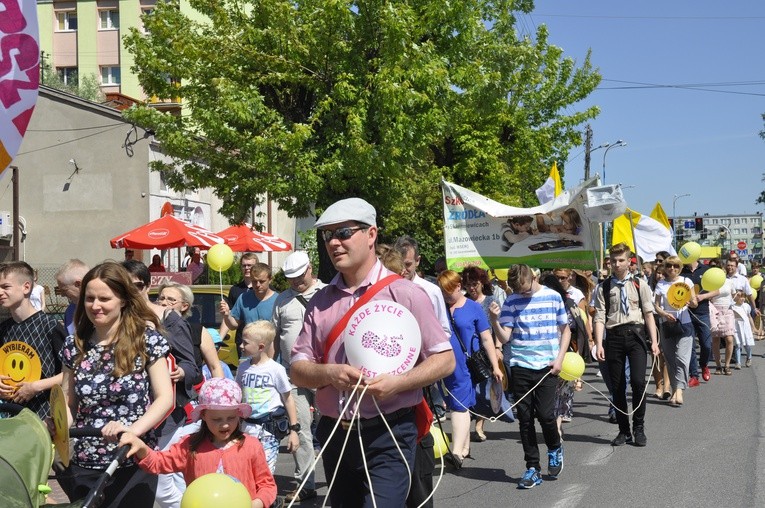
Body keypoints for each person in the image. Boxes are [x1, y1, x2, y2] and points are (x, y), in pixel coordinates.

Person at [290, 197, 455, 507]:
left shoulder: (406, 293)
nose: (334, 243)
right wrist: (328, 373)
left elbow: (445, 359)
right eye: (328, 235)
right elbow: (298, 368)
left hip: (390, 432)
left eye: (343, 233)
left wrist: (399, 383)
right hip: (336, 431)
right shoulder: (320, 300)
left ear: (371, 234)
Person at [57, 262, 174, 507]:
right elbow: (68, 403)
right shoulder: (74, 345)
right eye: (89, 298)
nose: (95, 306)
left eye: (104, 298)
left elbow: (164, 398)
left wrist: (133, 430)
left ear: (122, 300)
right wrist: (56, 425)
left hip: (130, 458)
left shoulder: (147, 341)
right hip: (85, 461)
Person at [119, 378, 277, 508]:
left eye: (231, 418)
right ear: (203, 416)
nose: (225, 425)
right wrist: (141, 448)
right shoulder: (191, 445)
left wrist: (257, 503)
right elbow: (160, 462)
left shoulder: (251, 445)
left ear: (239, 415)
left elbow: (266, 484)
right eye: (217, 419)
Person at [489, 264, 569, 489]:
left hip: (546, 366)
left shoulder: (553, 297)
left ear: (533, 277)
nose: (522, 294)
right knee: (525, 420)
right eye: (518, 291)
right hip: (521, 366)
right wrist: (494, 320)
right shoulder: (511, 300)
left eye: (525, 289)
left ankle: (554, 448)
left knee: (545, 415)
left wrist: (559, 359)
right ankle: (532, 467)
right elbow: (505, 338)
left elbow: (566, 330)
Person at [392, 235, 453, 508]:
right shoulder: (384, 290)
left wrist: (422, 360)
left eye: (408, 264)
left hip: (421, 378)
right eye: (398, 264)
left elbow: (444, 332)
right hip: (389, 385)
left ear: (417, 261)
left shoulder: (429, 290)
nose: (404, 270)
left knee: (419, 437)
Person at [271, 251, 325, 503]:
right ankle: (306, 483)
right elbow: (274, 338)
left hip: (326, 373)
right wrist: (270, 369)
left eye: (299, 276)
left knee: (335, 426)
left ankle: (344, 477)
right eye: (290, 278)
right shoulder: (282, 300)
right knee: (301, 428)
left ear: (310, 269)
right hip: (294, 375)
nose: (295, 282)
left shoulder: (327, 293)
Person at [593, 243, 660, 448]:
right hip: (613, 337)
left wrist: (654, 342)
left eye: (621, 260)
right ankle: (624, 430)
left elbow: (648, 314)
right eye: (613, 260)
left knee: (639, 382)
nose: (616, 264)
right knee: (618, 386)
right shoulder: (603, 287)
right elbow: (599, 317)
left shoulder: (640, 284)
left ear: (629, 261)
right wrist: (598, 343)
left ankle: (639, 427)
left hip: (636, 336)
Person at [437, 269, 502, 468]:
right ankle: (464, 448)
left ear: (459, 286)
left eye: (449, 290)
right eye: (443, 291)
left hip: (464, 366)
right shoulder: (439, 308)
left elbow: (486, 337)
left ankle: (455, 453)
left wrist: (495, 365)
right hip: (442, 365)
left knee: (460, 405)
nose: (446, 295)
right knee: (457, 404)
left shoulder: (473, 308)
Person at [0, 262, 67, 418]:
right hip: (12, 417)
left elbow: (71, 373)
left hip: (44, 417)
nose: (0, 292)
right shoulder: (3, 329)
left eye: (6, 287)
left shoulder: (50, 327)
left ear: (26, 287)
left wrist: (36, 386)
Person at [238, 321, 300, 474]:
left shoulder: (275, 369)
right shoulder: (243, 367)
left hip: (268, 429)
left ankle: (266, 498)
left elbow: (288, 399)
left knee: (265, 471)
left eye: (245, 343)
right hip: (246, 426)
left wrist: (294, 430)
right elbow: (238, 394)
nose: (240, 345)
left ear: (260, 347)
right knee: (246, 469)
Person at [460, 266, 503, 443]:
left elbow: (497, 327)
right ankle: (466, 423)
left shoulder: (491, 301)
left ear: (482, 283)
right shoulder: (462, 302)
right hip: (467, 352)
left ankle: (479, 425)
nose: (472, 288)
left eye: (475, 284)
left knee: (484, 388)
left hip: (487, 352)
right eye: (468, 284)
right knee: (469, 388)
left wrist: (498, 348)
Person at [653, 255, 697, 407]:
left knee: (682, 358)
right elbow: (656, 305)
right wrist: (664, 314)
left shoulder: (686, 282)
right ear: (665, 268)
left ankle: (679, 389)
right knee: (671, 359)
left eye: (676, 266)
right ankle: (674, 390)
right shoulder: (661, 284)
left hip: (684, 324)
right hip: (667, 325)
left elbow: (694, 303)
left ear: (680, 268)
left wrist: (689, 302)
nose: (672, 269)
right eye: (669, 266)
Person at [157, 282, 224, 379]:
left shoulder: (198, 331)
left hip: (190, 391)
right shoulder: (151, 329)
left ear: (184, 306)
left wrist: (218, 390)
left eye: (171, 300)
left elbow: (215, 367)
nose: (163, 303)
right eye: (161, 298)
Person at [220, 262, 278, 352]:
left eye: (262, 281)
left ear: (270, 279)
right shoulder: (243, 298)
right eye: (254, 281)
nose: (258, 285)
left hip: (271, 356)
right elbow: (233, 325)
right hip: (248, 355)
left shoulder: (279, 300)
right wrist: (227, 315)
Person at [681, 256, 713, 384]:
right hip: (686, 312)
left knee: (706, 343)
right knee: (691, 346)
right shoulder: (681, 272)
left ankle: (704, 364)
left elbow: (717, 290)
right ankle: (694, 375)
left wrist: (703, 296)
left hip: (703, 312)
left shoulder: (705, 270)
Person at [221, 252, 259, 356]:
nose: (246, 268)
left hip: (261, 341)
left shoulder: (264, 289)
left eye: (250, 265)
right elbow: (229, 315)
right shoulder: (235, 290)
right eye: (244, 265)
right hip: (242, 341)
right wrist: (219, 340)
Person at [55, 259, 89, 335]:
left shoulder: (99, 310)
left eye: (65, 290)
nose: (63, 295)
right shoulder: (70, 312)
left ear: (78, 284)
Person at [732, 290, 755, 367]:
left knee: (746, 345)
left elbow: (749, 317)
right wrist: (735, 296)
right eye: (740, 297)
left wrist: (753, 327)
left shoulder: (746, 306)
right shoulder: (733, 306)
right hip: (736, 326)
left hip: (745, 327)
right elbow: (729, 303)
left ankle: (749, 357)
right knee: (738, 344)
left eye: (744, 297)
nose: (742, 299)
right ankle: (738, 362)